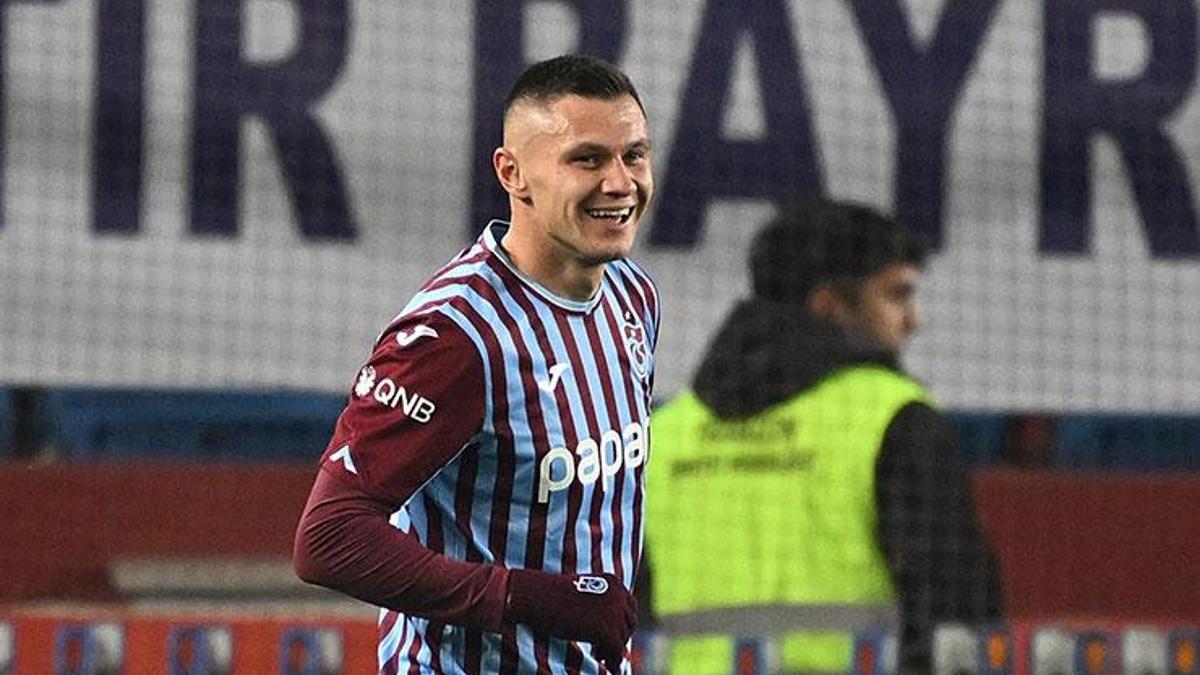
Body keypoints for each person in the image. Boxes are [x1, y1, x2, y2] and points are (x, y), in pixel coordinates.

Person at [293, 54, 659, 675]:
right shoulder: (455, 334)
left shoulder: (633, 297)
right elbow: (329, 537)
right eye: (588, 160)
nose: (621, 182)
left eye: (635, 155)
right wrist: (518, 596)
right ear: (513, 174)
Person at [642, 199, 1003, 674]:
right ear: (829, 306)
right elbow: (954, 613)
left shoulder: (664, 435)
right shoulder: (892, 419)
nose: (913, 320)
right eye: (896, 295)